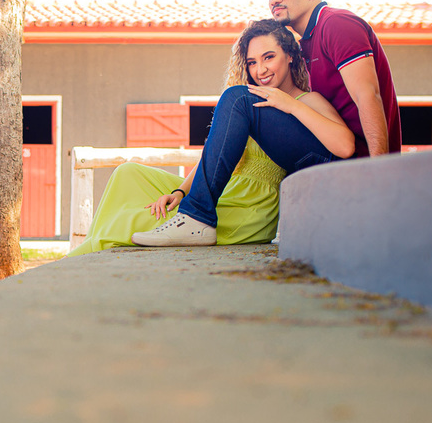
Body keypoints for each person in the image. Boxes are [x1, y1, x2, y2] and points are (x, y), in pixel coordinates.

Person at [132, 0, 400, 247]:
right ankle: (197, 210)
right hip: (328, 158)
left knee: (238, 99)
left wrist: (379, 176)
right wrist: (182, 189)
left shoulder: (337, 24)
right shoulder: (304, 44)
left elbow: (368, 96)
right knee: (238, 98)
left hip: (354, 164)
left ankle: (197, 218)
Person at [69, 19, 353, 255]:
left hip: (250, 205)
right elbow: (211, 155)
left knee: (132, 220)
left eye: (269, 57)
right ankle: (88, 253)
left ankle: (92, 256)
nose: (260, 70)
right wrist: (180, 191)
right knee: (127, 174)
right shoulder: (247, 104)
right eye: (252, 62)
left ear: (290, 55)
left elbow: (345, 145)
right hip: (218, 190)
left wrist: (289, 105)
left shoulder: (307, 99)